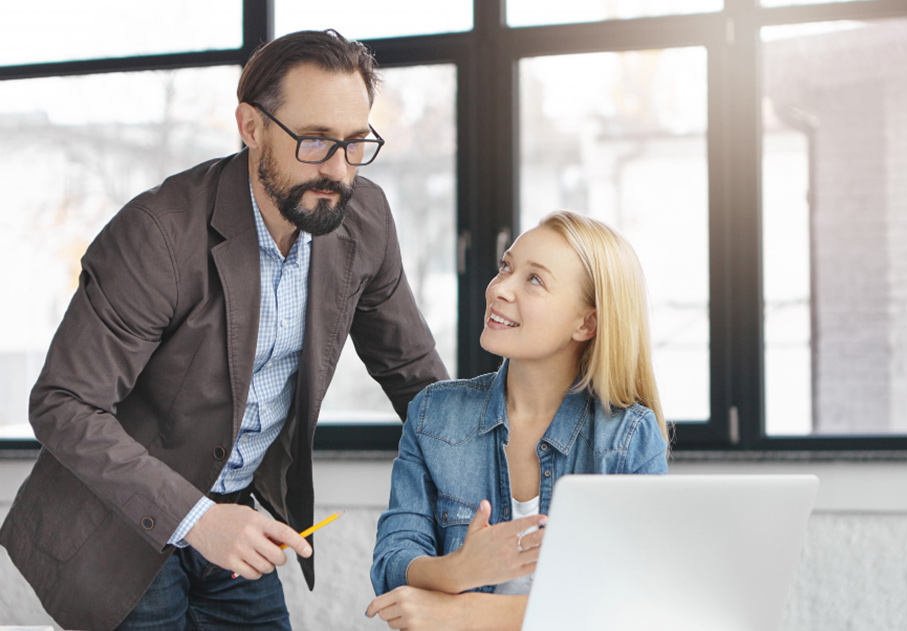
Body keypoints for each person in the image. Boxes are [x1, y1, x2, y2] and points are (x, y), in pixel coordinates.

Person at [0, 29, 448, 631]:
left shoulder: (363, 218)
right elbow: (62, 404)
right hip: (121, 523)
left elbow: (414, 373)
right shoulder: (157, 233)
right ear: (251, 126)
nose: (339, 171)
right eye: (315, 142)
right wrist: (198, 520)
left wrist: (489, 475)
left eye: (355, 142)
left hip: (234, 511)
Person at [366, 210, 670, 631]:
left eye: (534, 280)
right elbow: (393, 562)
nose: (500, 288)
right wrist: (459, 571)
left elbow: (631, 602)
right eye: (506, 266)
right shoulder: (433, 414)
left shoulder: (628, 437)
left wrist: (467, 613)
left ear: (587, 322)